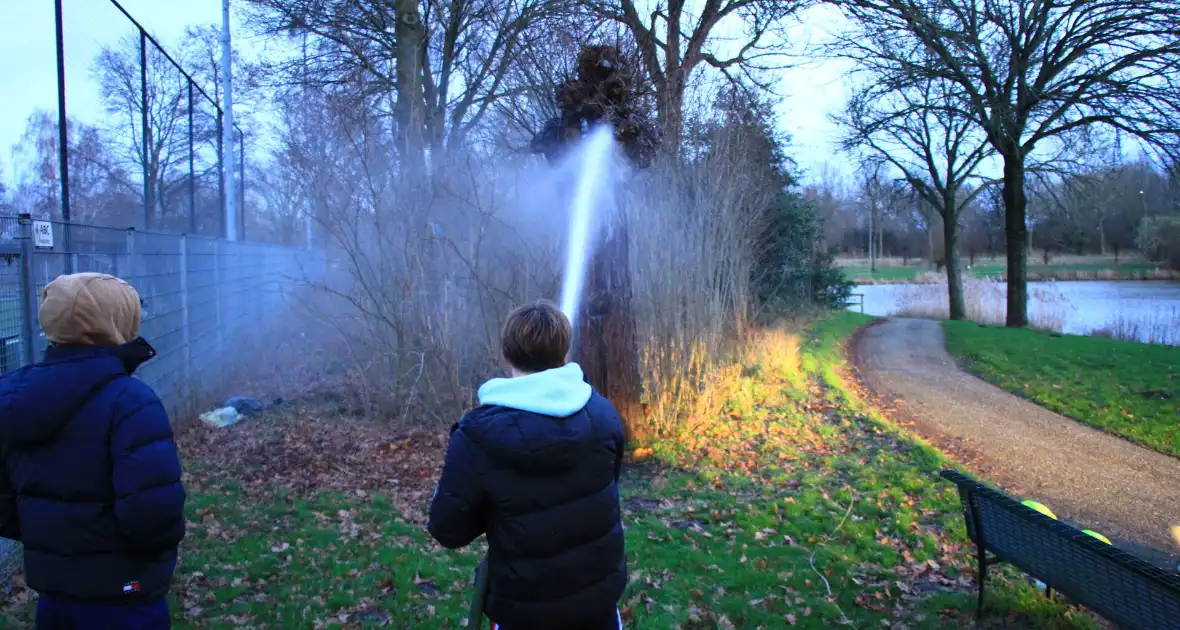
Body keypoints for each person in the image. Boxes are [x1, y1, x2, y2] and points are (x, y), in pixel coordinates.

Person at [0, 273, 186, 630]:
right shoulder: (130, 401)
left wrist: (50, 538)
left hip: (54, 591)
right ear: (117, 321)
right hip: (122, 592)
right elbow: (152, 512)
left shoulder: (15, 398)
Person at [428, 300, 627, 630]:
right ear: (563, 354)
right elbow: (607, 482)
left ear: (506, 355)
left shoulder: (476, 438)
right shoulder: (602, 413)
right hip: (599, 608)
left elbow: (448, 530)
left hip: (525, 613)